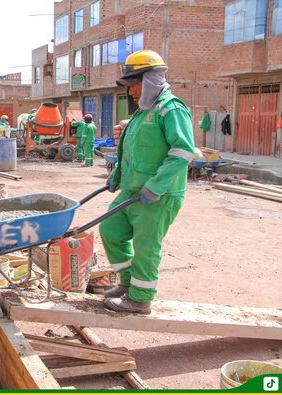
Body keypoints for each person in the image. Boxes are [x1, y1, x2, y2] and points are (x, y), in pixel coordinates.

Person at [99, 49, 196, 315]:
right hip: (132, 190)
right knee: (110, 230)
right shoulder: (143, 113)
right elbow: (130, 151)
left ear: (150, 79)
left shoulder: (171, 109)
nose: (130, 92)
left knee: (146, 246)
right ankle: (128, 283)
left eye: (133, 84)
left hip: (158, 193)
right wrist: (116, 175)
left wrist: (155, 186)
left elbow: (183, 151)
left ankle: (140, 299)